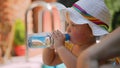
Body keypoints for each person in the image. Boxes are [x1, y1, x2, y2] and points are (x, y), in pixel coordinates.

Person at [42, 0, 111, 68]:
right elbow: (50, 61)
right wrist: (50, 46)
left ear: (92, 31)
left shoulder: (98, 51)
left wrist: (60, 48)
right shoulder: (70, 47)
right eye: (68, 24)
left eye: (74, 25)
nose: (68, 29)